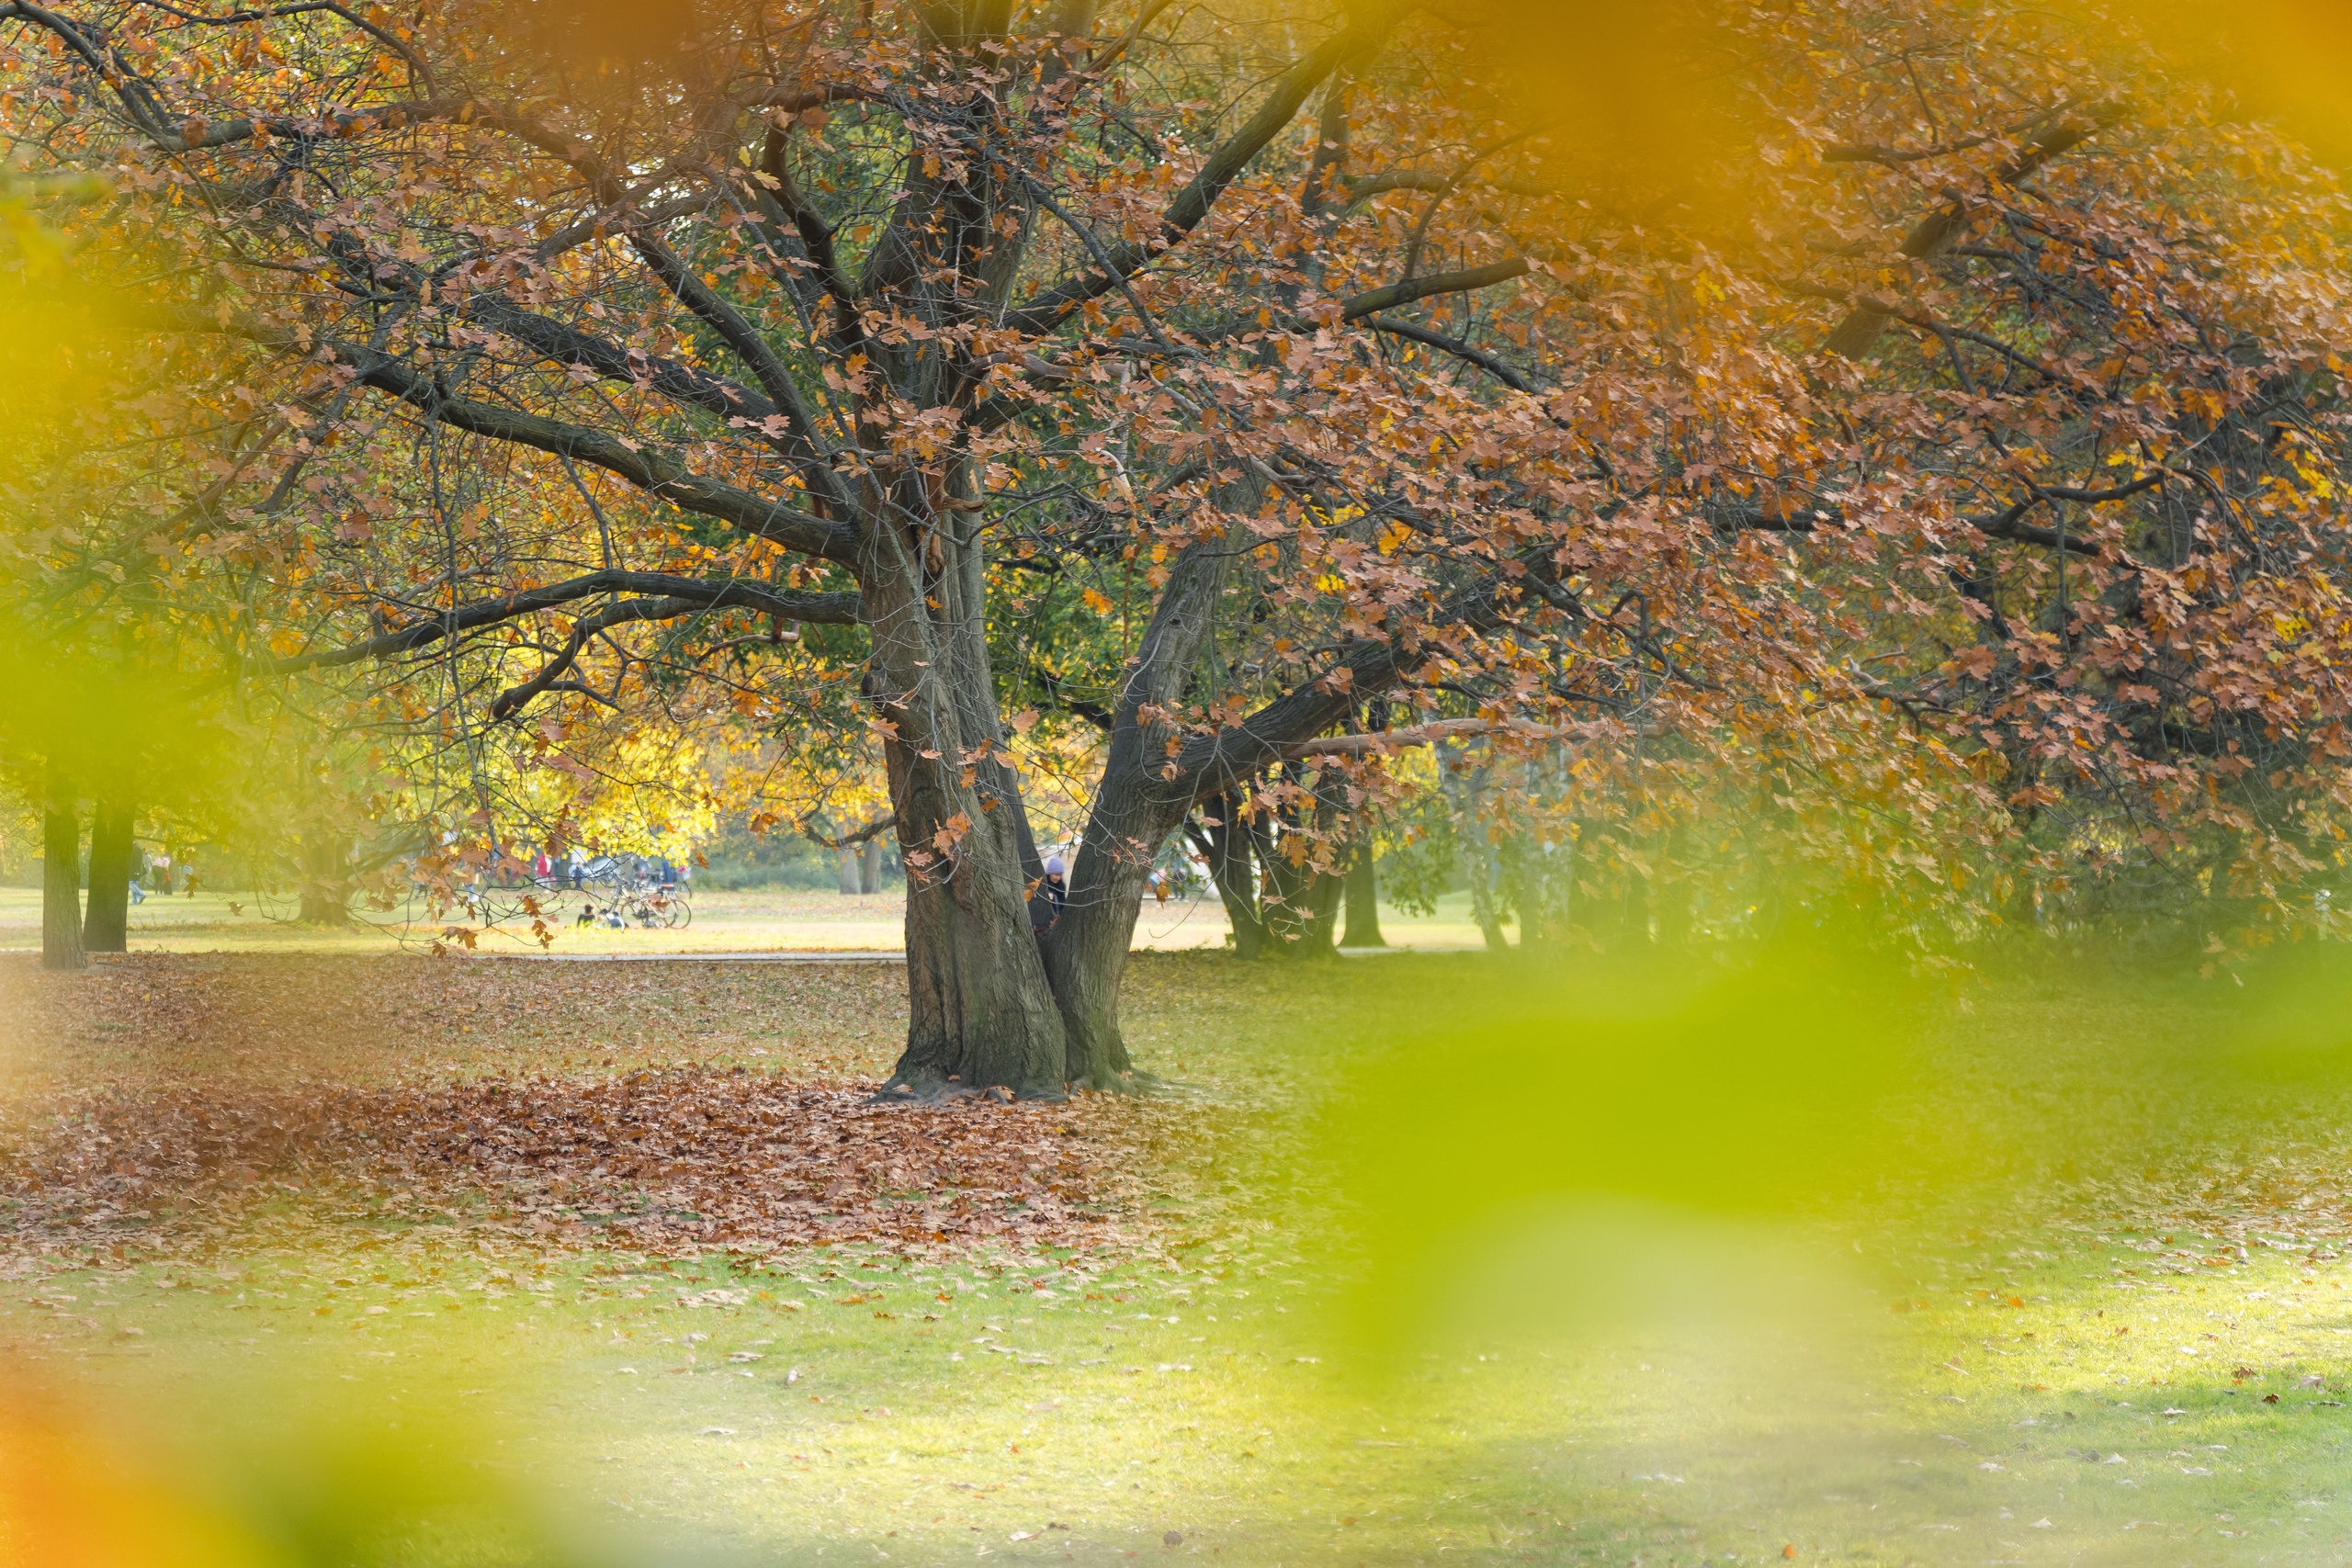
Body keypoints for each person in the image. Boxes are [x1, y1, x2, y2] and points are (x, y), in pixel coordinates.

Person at [1036, 854, 1069, 931]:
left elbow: (1062, 904)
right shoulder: (1043, 886)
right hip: (1044, 924)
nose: (1058, 878)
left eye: (1060, 875)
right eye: (1056, 874)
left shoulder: (1061, 887)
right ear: (1049, 873)